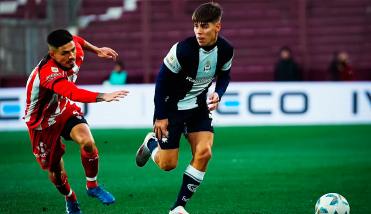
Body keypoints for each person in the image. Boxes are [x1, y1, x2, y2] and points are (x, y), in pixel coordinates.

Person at [135, 2, 234, 214]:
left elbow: (225, 74)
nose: (199, 31)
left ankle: (178, 207)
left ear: (218, 27)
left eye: (205, 26)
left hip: (198, 108)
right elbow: (161, 83)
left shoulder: (226, 50)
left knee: (204, 152)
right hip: (171, 110)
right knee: (167, 164)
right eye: (196, 26)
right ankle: (151, 142)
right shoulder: (182, 50)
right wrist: (160, 116)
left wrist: (219, 93)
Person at [24, 29, 129, 214]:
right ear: (52, 54)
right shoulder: (48, 74)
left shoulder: (75, 50)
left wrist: (97, 50)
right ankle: (70, 198)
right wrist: (103, 96)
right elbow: (73, 93)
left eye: (72, 50)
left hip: (62, 109)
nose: (71, 55)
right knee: (56, 170)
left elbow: (77, 40)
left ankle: (92, 186)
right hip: (42, 123)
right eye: (64, 53)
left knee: (87, 142)